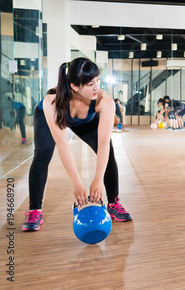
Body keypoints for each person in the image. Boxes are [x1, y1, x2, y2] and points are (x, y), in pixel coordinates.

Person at [22, 58, 132, 232]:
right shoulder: (52, 101)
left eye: (97, 80)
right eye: (90, 84)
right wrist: (77, 183)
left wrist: (97, 179)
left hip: (84, 121)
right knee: (43, 153)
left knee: (108, 151)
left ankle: (113, 202)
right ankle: (35, 209)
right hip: (47, 116)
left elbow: (103, 142)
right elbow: (63, 144)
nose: (97, 87)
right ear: (74, 86)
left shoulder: (105, 101)